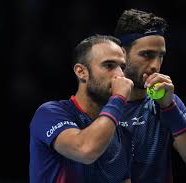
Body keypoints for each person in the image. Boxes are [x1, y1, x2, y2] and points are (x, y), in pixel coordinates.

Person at [114, 9, 186, 183]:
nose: (155, 65)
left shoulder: (167, 103)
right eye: (147, 54)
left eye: (160, 56)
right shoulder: (98, 103)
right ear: (121, 53)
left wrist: (169, 108)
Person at [29, 35, 134, 183]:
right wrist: (119, 98)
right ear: (81, 72)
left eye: (122, 67)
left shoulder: (122, 132)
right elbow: (85, 150)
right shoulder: (49, 113)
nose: (120, 75)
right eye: (109, 65)